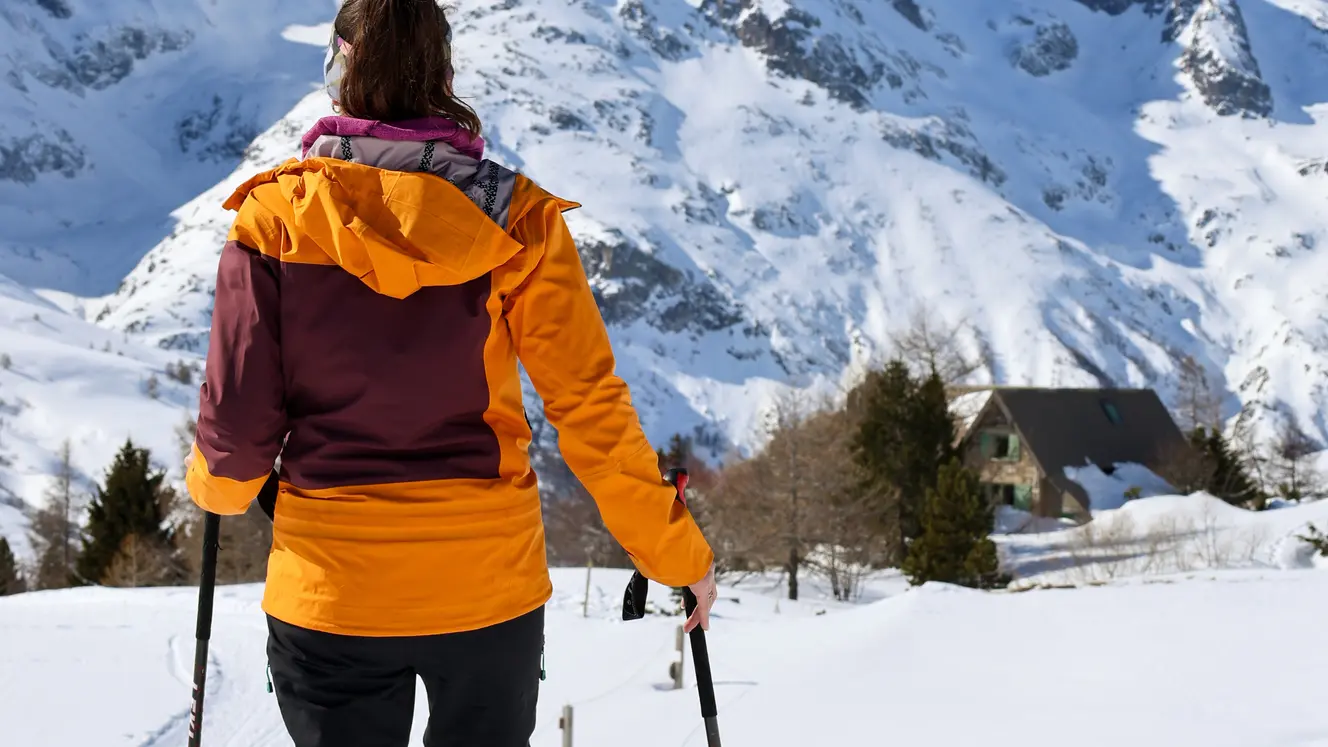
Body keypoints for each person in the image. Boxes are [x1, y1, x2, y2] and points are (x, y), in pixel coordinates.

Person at [183, 1, 717, 745]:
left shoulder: (274, 220)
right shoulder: (521, 221)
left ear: (338, 72)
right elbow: (588, 408)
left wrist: (215, 488)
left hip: (334, 590)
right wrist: (673, 551)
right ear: (446, 74)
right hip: (487, 590)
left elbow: (236, 443)